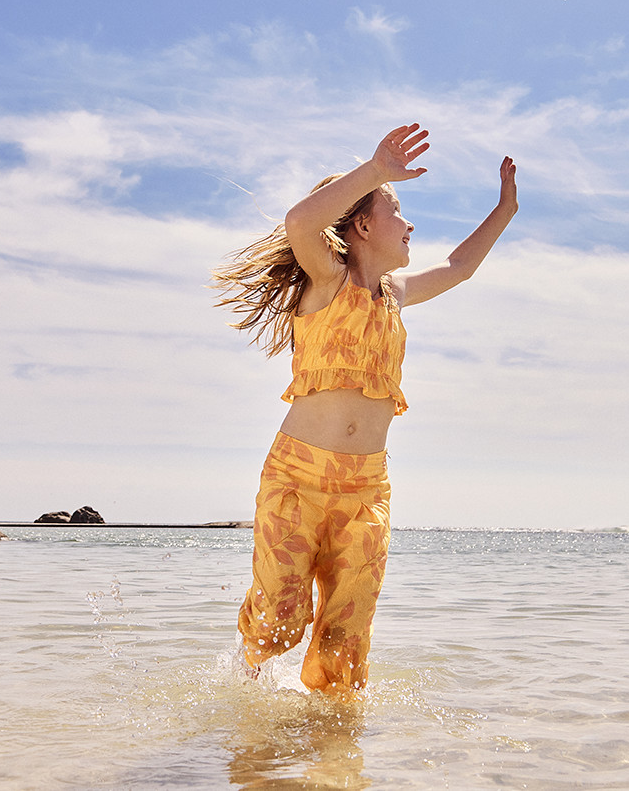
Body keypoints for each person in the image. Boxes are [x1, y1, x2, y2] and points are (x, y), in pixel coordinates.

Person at [213, 123, 517, 694]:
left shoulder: (396, 295)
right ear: (363, 225)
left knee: (345, 650)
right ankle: (244, 706)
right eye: (396, 211)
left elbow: (459, 267)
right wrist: (376, 170)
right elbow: (301, 223)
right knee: (278, 624)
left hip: (366, 490)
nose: (408, 224)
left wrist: (506, 211)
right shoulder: (327, 281)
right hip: (297, 479)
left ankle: (334, 762)